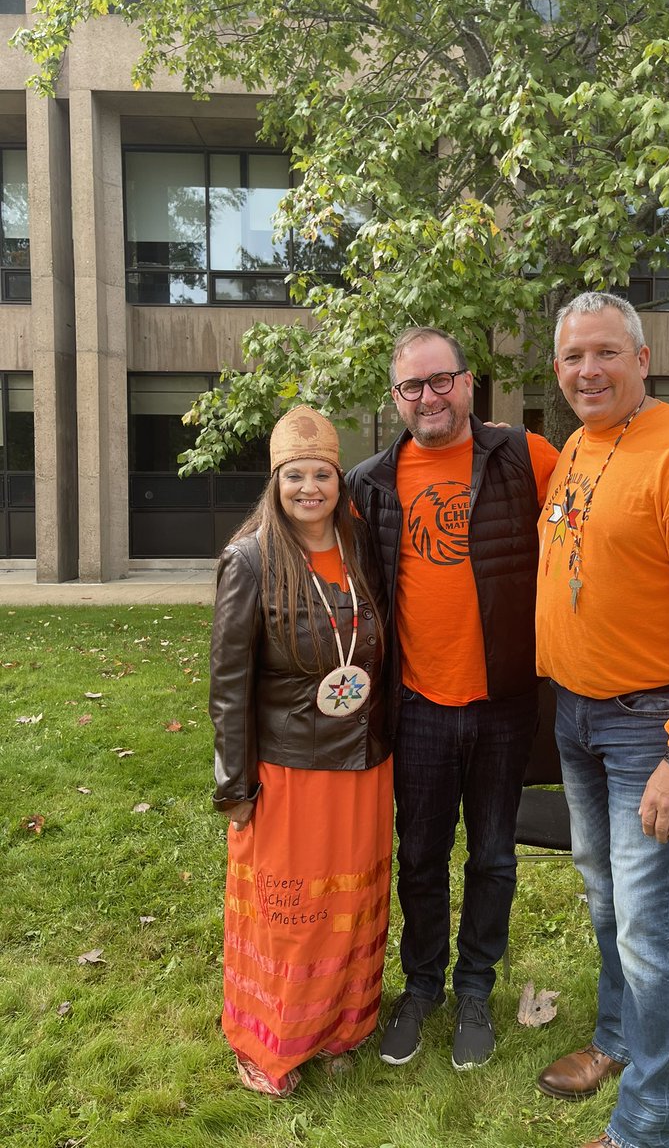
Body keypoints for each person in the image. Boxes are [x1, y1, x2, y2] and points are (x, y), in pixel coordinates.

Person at [534, 292, 669, 1148]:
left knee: (654, 928)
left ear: (642, 356)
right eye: (572, 358)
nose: (588, 370)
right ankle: (619, 1041)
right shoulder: (581, 449)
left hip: (652, 728)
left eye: (604, 353)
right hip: (577, 716)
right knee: (604, 895)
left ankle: (653, 1128)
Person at [347, 327, 559, 1070]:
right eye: (413, 386)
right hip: (419, 706)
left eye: (443, 381)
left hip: (504, 702)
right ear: (396, 398)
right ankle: (423, 986)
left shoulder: (527, 458)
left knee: (495, 856)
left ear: (469, 383)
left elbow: (591, 535)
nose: (430, 397)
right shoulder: (369, 482)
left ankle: (477, 988)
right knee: (421, 856)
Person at [209, 405, 393, 1097]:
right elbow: (228, 687)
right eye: (295, 476)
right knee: (292, 915)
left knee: (346, 912)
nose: (309, 487)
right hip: (289, 772)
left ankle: (336, 1029)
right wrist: (234, 787)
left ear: (338, 481)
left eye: (322, 474)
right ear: (276, 482)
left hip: (364, 766)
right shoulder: (250, 559)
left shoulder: (359, 546)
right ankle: (268, 1039)